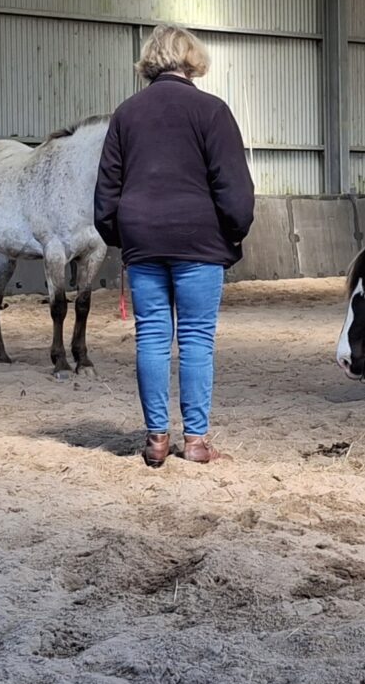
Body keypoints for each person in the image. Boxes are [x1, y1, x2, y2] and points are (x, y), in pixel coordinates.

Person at [92, 24, 256, 468]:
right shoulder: (212, 111)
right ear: (191, 60)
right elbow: (234, 186)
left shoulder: (126, 114)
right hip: (199, 239)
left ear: (151, 61)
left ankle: (157, 440)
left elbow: (107, 190)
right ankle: (197, 441)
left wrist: (121, 237)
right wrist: (234, 232)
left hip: (142, 238)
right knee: (197, 338)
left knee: (152, 337)